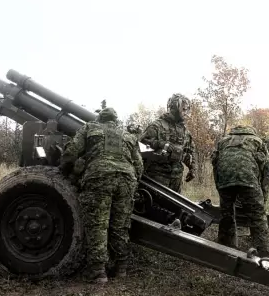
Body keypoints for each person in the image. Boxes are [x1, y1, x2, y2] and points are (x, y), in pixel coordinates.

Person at [59, 106, 143, 283]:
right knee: (120, 225)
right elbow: (139, 166)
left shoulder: (90, 128)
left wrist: (65, 171)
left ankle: (98, 271)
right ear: (115, 119)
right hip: (126, 180)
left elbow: (71, 152)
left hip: (99, 177)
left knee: (98, 223)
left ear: (100, 119)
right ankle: (121, 268)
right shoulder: (127, 135)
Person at [211, 124, 269, 257]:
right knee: (258, 217)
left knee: (226, 214)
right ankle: (263, 255)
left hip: (225, 180)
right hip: (248, 181)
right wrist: (263, 198)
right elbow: (267, 172)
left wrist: (220, 187)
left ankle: (225, 249)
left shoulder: (223, 142)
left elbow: (215, 165)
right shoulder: (257, 142)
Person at [139, 93, 196, 193]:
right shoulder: (157, 126)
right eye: (183, 109)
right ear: (174, 107)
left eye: (187, 109)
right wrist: (160, 144)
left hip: (176, 178)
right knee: (156, 207)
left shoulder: (185, 131)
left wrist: (192, 168)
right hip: (157, 176)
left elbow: (190, 151)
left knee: (174, 207)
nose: (185, 112)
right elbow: (141, 146)